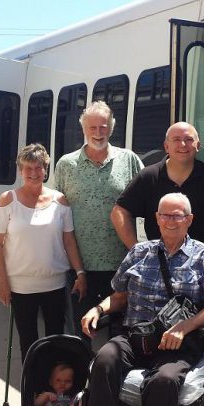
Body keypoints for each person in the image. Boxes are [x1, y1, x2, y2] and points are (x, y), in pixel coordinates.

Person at [82, 193, 204, 406]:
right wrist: (98, 308)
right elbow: (120, 296)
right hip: (136, 336)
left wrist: (184, 327)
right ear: (157, 218)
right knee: (104, 359)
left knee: (164, 380)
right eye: (165, 216)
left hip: (177, 344)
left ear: (189, 219)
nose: (170, 221)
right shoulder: (139, 252)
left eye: (177, 216)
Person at [54, 101, 143, 338]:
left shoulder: (129, 160)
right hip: (80, 266)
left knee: (121, 335)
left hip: (121, 263)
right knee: (81, 332)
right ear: (83, 129)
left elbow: (145, 201)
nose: (98, 133)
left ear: (111, 128)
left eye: (103, 127)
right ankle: (83, 374)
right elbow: (57, 211)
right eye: (92, 127)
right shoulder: (66, 164)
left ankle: (114, 375)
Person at [0, 144, 87, 361]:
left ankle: (56, 389)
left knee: (55, 340)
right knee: (29, 342)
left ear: (45, 169)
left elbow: (68, 240)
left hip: (54, 283)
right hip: (20, 286)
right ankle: (33, 391)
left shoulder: (60, 201)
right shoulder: (8, 200)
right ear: (20, 171)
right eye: (28, 168)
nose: (33, 173)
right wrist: (3, 282)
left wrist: (80, 273)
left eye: (38, 168)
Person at [111, 122, 204, 269]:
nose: (183, 144)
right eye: (176, 139)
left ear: (198, 145)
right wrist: (137, 251)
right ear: (166, 146)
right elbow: (119, 212)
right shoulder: (149, 177)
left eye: (189, 139)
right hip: (158, 266)